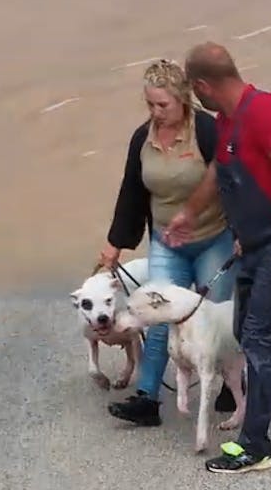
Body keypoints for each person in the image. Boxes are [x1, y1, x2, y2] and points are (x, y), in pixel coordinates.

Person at [164, 42, 271, 475]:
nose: (195, 98)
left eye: (193, 90)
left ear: (203, 85)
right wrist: (190, 212)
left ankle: (255, 445)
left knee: (261, 342)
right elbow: (220, 173)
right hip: (256, 244)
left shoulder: (265, 111)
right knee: (249, 330)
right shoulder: (227, 119)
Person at [100, 58, 237, 427]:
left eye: (163, 105)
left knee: (218, 317)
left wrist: (245, 235)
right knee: (155, 314)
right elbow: (131, 192)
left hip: (213, 239)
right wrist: (115, 244)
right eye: (150, 105)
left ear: (184, 99)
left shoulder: (207, 131)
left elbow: (233, 182)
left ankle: (231, 384)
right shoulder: (141, 139)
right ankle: (147, 397)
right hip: (165, 240)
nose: (156, 113)